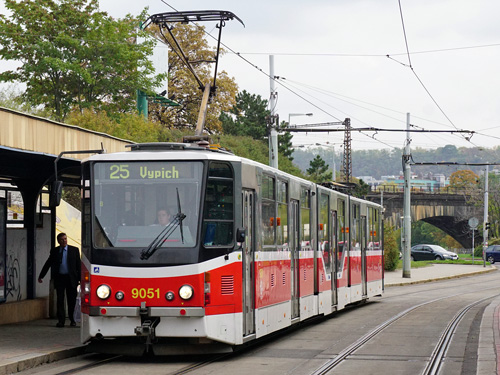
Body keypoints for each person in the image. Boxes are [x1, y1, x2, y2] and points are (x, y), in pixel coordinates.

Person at [38, 233, 81, 327]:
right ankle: (61, 321)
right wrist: (41, 276)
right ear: (58, 241)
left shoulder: (74, 250)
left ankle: (72, 319)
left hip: (71, 279)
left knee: (71, 300)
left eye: (65, 239)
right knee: (60, 300)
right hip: (60, 278)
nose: (64, 241)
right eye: (62, 239)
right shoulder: (55, 251)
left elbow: (78, 265)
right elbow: (48, 263)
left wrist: (80, 279)